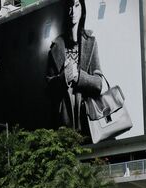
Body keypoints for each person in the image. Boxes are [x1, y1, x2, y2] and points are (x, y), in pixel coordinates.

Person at [46, 0, 103, 137]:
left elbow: (98, 83)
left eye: (76, 5)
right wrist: (63, 77)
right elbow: (48, 87)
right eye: (69, 6)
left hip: (88, 116)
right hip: (63, 117)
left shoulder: (91, 42)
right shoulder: (55, 47)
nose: (72, 11)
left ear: (82, 9)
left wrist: (79, 76)